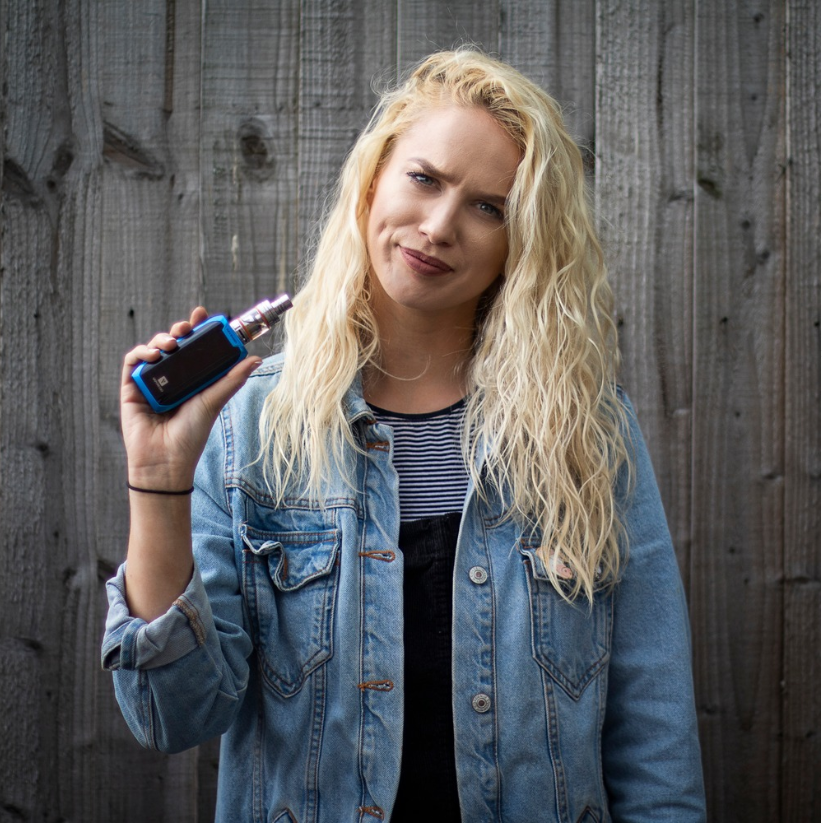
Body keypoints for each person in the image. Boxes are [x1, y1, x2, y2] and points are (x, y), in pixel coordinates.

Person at [103, 49, 706, 822]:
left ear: (521, 246)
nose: (439, 226)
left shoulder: (588, 432)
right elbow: (170, 715)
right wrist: (158, 479)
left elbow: (654, 737)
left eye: (489, 208)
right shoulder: (250, 424)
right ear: (374, 178)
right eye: (425, 179)